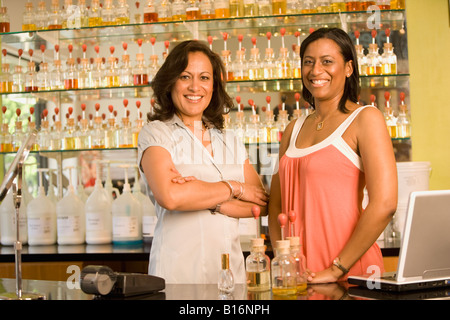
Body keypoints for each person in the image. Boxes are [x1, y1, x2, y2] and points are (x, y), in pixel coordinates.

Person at [268, 28, 398, 283]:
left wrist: (337, 269)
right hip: (300, 276)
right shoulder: (293, 129)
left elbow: (385, 204)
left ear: (349, 68)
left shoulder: (366, 119)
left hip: (351, 271)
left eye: (327, 61)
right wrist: (282, 260)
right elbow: (276, 205)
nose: (316, 70)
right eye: (308, 62)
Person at [137, 40, 268, 284]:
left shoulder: (229, 139)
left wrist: (208, 200)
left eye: (204, 78)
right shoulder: (156, 133)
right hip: (178, 274)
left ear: (214, 85)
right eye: (185, 76)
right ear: (170, 81)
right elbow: (171, 197)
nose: (195, 86)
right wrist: (234, 188)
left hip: (231, 275)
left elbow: (259, 203)